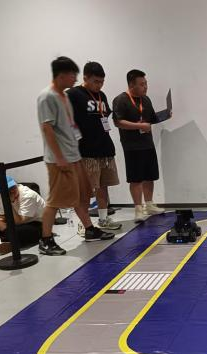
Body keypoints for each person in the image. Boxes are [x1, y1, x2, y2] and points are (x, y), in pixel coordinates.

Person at [37, 56, 114, 256]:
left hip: (74, 155)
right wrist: (59, 157)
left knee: (82, 195)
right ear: (61, 75)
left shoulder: (63, 97)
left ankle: (89, 229)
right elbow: (47, 128)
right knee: (55, 200)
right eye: (72, 75)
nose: (75, 79)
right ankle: (45, 240)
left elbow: (71, 126)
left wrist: (74, 153)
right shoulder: (47, 97)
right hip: (60, 159)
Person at [68, 61, 122, 232]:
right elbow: (67, 120)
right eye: (96, 81)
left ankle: (103, 219)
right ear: (85, 78)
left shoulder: (101, 95)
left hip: (104, 148)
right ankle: (84, 224)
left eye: (102, 82)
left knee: (102, 186)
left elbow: (104, 118)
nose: (99, 85)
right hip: (86, 151)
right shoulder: (73, 94)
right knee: (85, 190)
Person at [112, 69, 170, 223]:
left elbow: (151, 118)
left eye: (146, 83)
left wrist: (166, 114)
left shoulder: (146, 99)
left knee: (150, 176)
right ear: (132, 85)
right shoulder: (121, 100)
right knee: (136, 179)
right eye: (142, 84)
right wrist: (139, 126)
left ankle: (149, 205)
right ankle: (138, 209)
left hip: (147, 143)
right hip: (132, 146)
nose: (145, 87)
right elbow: (118, 122)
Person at [0, 176, 45, 254]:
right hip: (14, 222)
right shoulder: (0, 197)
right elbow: (1, 215)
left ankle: (10, 243)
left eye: (13, 187)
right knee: (6, 228)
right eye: (8, 190)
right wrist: (0, 222)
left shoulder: (28, 195)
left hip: (37, 223)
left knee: (18, 231)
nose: (12, 191)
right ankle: (7, 241)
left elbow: (19, 221)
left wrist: (8, 202)